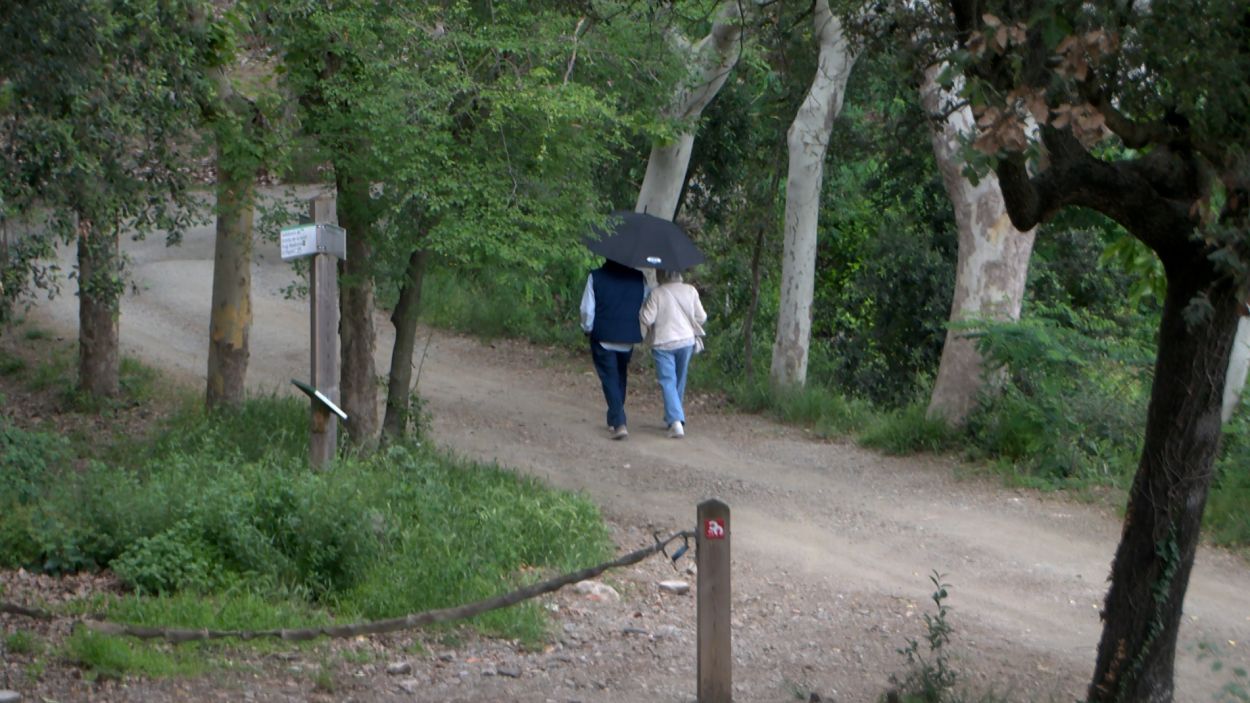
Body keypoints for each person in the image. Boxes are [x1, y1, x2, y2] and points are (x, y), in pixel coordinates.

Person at [580, 259, 647, 439]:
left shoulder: (596, 277)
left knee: (609, 378)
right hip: (628, 337)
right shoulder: (638, 278)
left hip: (603, 335)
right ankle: (614, 416)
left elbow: (587, 310)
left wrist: (587, 328)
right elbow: (643, 304)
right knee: (620, 376)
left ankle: (619, 422)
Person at [640, 269, 707, 438]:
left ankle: (676, 421)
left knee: (668, 381)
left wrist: (642, 308)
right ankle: (673, 417)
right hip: (686, 342)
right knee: (679, 380)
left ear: (662, 275)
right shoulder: (690, 290)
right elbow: (702, 317)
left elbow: (647, 319)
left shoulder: (657, 293)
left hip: (663, 343)